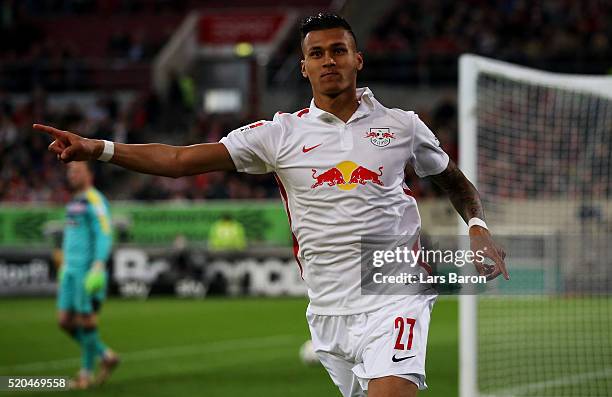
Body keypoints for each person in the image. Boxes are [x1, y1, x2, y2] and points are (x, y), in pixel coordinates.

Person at [34, 13, 508, 397]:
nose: (328, 61)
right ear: (303, 67)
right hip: (327, 310)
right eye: (316, 54)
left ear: (357, 59)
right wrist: (100, 149)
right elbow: (180, 160)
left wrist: (478, 227)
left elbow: (455, 183)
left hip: (393, 291)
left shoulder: (403, 126)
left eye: (338, 50)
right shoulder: (279, 134)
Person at [56, 161, 119, 389]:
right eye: (69, 170)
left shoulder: (96, 200)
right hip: (70, 272)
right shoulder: (73, 202)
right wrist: (64, 264)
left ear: (89, 173)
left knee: (86, 321)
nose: (71, 174)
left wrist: (99, 265)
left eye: (76, 170)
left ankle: (85, 373)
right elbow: (71, 236)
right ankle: (105, 355)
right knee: (64, 321)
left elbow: (104, 233)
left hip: (87, 271)